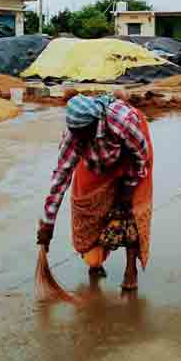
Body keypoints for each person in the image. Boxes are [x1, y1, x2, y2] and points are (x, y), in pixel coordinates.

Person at [35, 93, 154, 291]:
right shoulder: (74, 136)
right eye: (74, 133)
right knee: (87, 207)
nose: (77, 138)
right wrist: (47, 225)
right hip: (97, 162)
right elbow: (60, 179)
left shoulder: (122, 122)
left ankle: (130, 269)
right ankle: (95, 262)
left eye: (82, 133)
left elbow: (141, 158)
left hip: (131, 159)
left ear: (95, 123)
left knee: (130, 212)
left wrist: (127, 191)